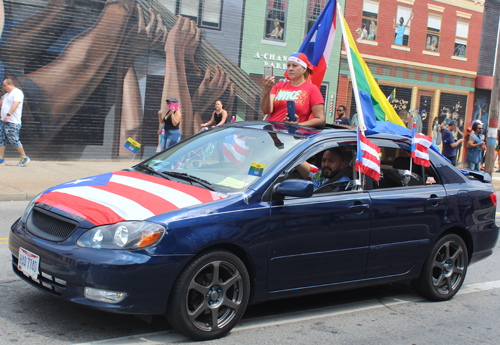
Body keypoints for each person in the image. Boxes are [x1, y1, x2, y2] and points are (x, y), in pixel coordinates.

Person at [260, 52, 325, 127]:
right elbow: (266, 111)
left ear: (304, 69)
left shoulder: (312, 89)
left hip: (292, 136)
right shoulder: (279, 86)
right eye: (288, 65)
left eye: (295, 65)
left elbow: (320, 120)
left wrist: (298, 125)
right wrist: (267, 90)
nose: (290, 68)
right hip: (271, 132)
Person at [0, 78, 29, 166]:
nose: (3, 88)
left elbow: (16, 104)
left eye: (5, 86)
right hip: (3, 120)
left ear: (10, 84)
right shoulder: (6, 95)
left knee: (13, 139)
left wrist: (8, 115)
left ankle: (24, 157)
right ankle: (1, 159)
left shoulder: (17, 92)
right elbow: (3, 105)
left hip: (12, 121)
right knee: (1, 139)